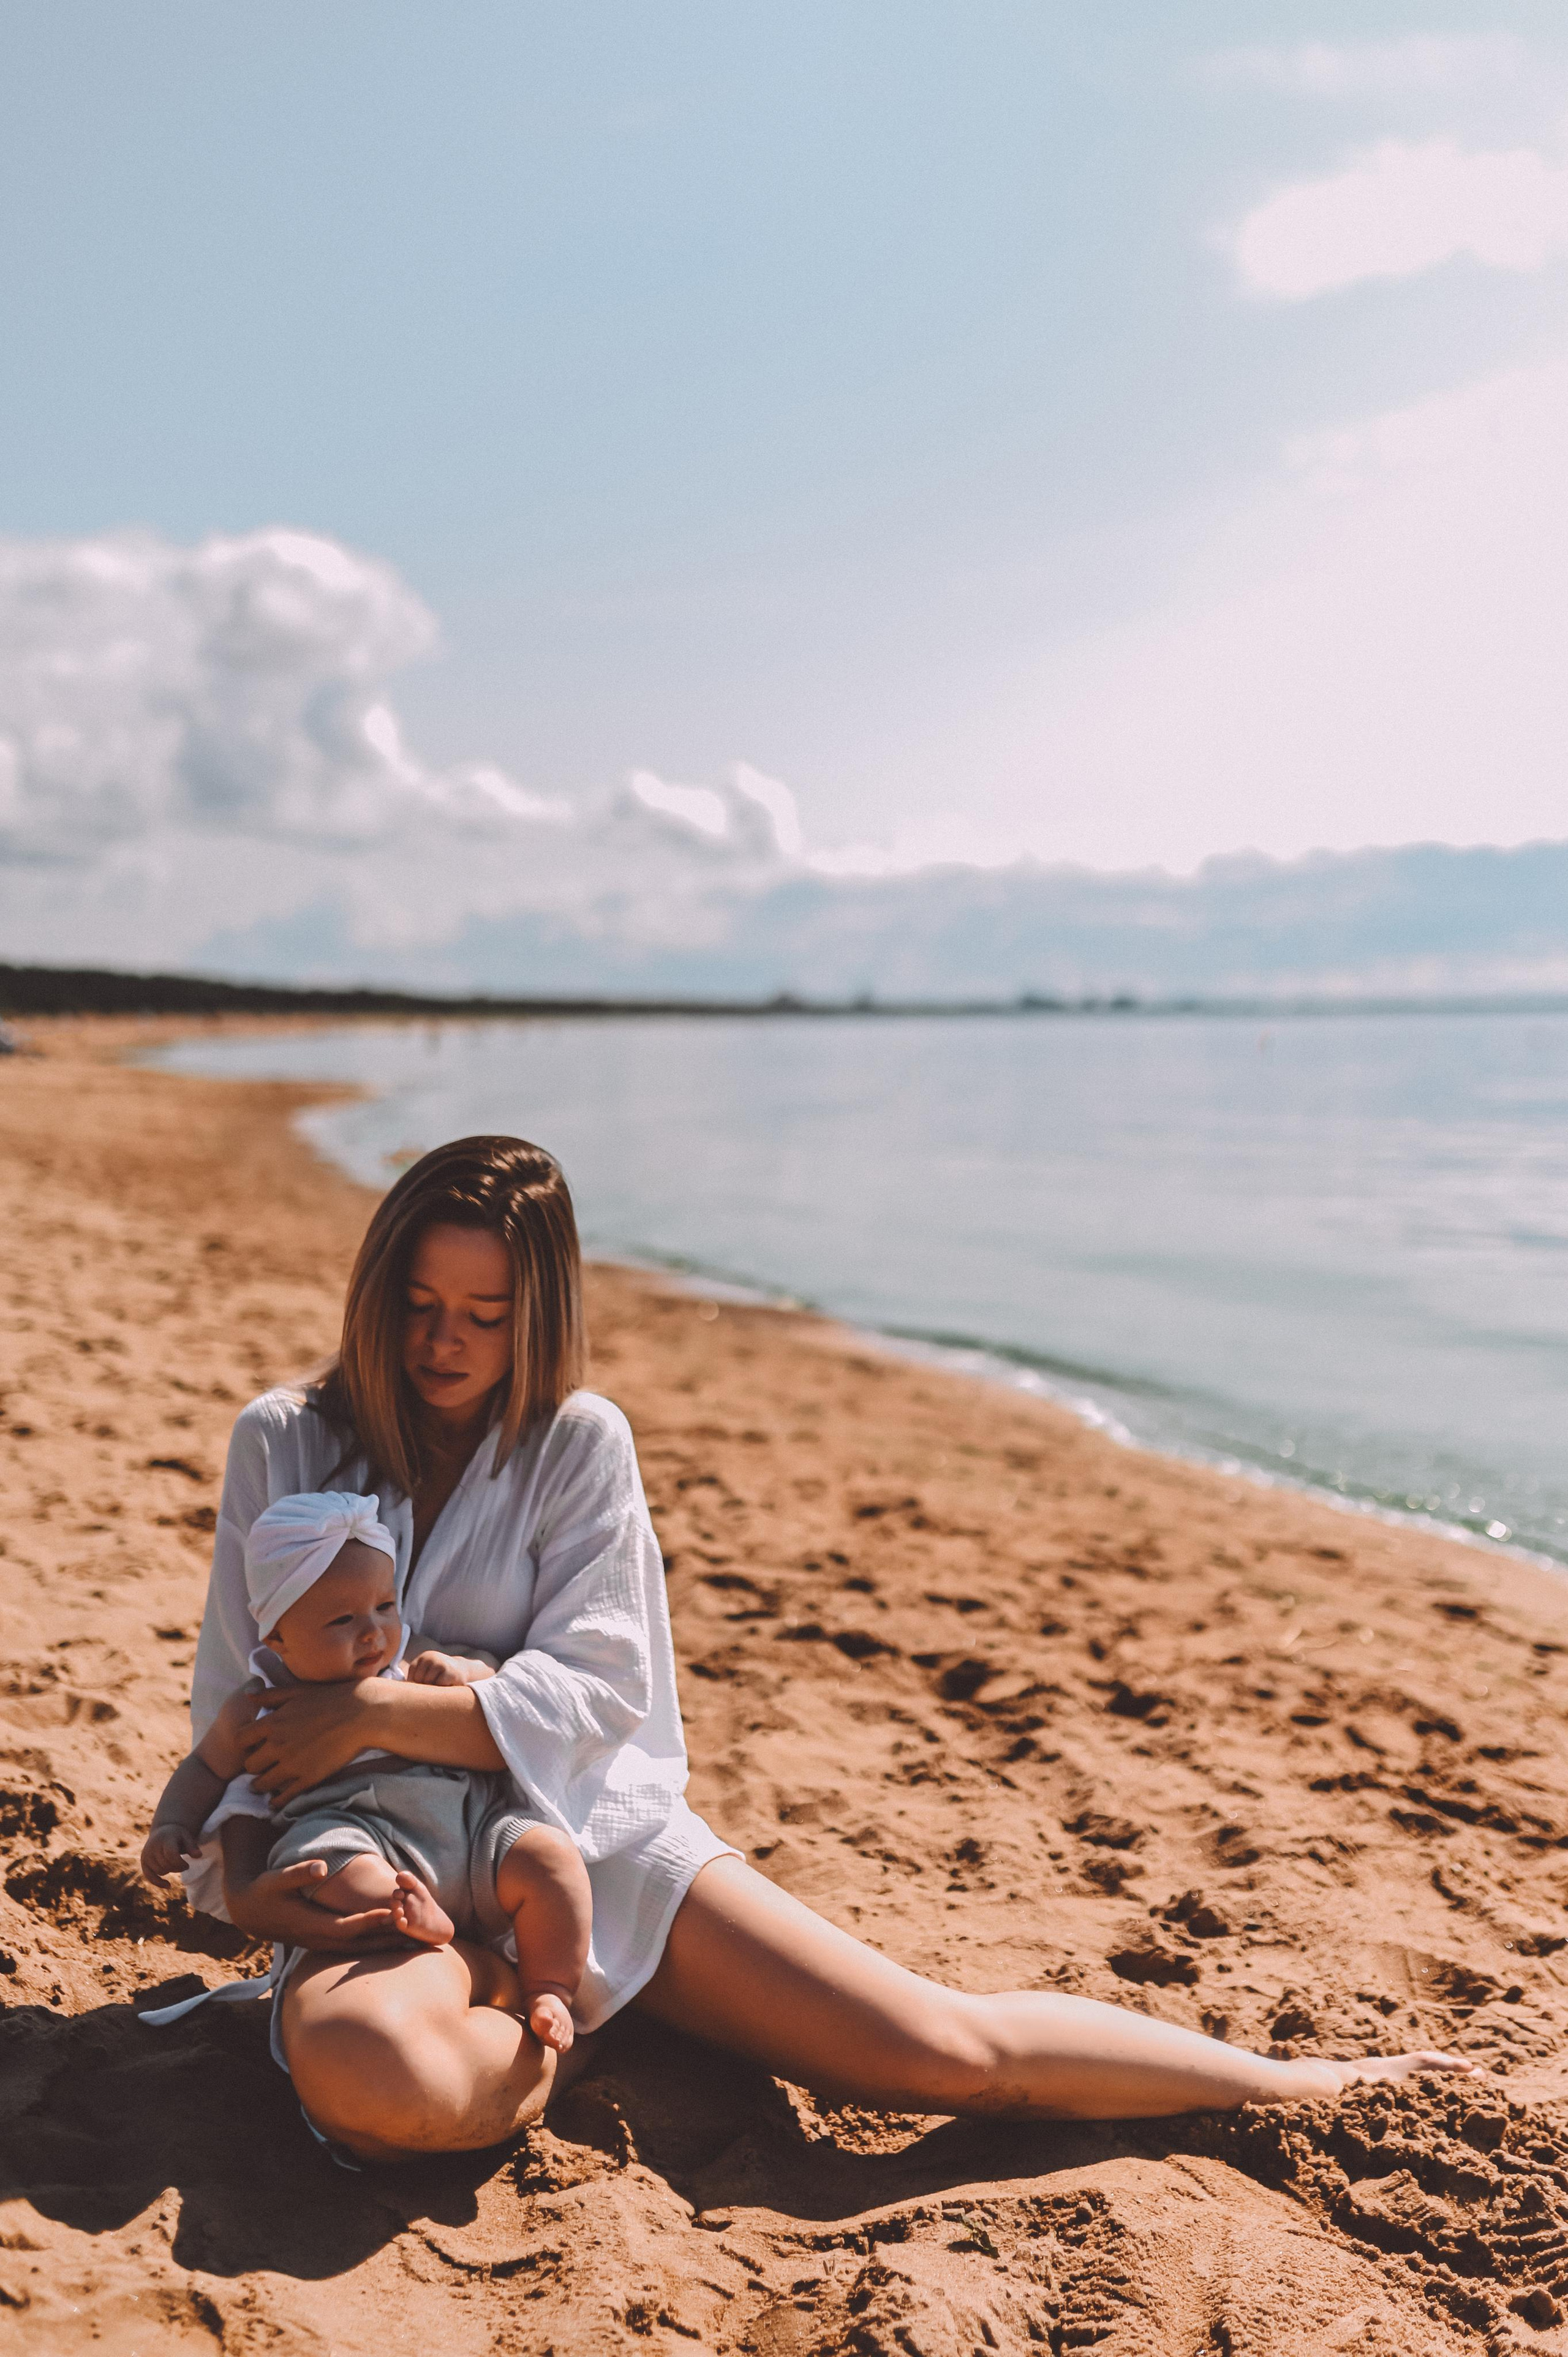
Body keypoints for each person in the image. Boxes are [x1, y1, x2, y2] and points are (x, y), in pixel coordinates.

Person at [191, 1134, 1473, 2163]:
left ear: (539, 1312)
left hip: (583, 1838)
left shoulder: (579, 1439)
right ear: (377, 1291)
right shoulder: (285, 1438)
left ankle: (1298, 2076)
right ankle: (551, 2013)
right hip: (381, 1866)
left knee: (944, 2055)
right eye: (418, 1304)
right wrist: (254, 1887)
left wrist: (370, 1713)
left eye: (483, 1313)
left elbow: (597, 1697)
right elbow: (235, 1714)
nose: (443, 1345)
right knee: (375, 2083)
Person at [146, 1488, 590, 2051]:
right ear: (277, 1635)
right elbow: (207, 1767)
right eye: (342, 1618)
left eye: (385, 1606)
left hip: (473, 1833)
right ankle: (410, 1916)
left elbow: (497, 1686)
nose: (374, 1632)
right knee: (327, 1865)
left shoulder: (408, 1661)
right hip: (352, 1830)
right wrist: (172, 1823)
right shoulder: (256, 1708)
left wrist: (462, 1672)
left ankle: (551, 1985)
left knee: (549, 1856)